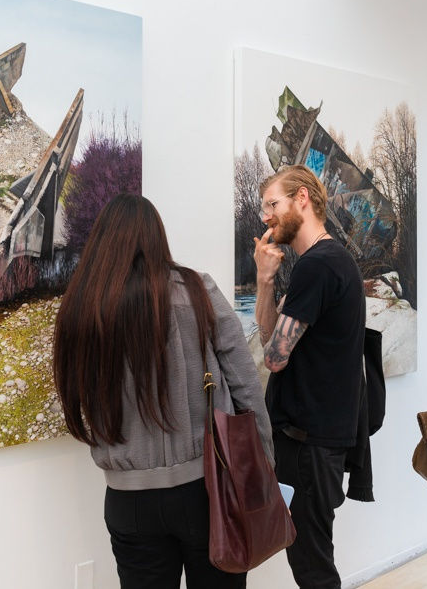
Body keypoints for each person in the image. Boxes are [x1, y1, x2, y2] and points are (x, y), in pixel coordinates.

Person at [52, 194, 272, 589]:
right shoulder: (197, 290)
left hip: (129, 499)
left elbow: (77, 392)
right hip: (208, 489)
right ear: (157, 237)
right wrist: (264, 463)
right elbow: (245, 383)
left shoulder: (82, 307)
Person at [253, 164, 366, 589]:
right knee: (312, 559)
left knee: (313, 567)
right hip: (316, 442)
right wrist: (265, 282)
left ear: (302, 198)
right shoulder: (328, 260)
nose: (266, 216)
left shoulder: (317, 266)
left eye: (273, 204)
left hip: (309, 446)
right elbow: (273, 338)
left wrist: (268, 284)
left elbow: (273, 358)